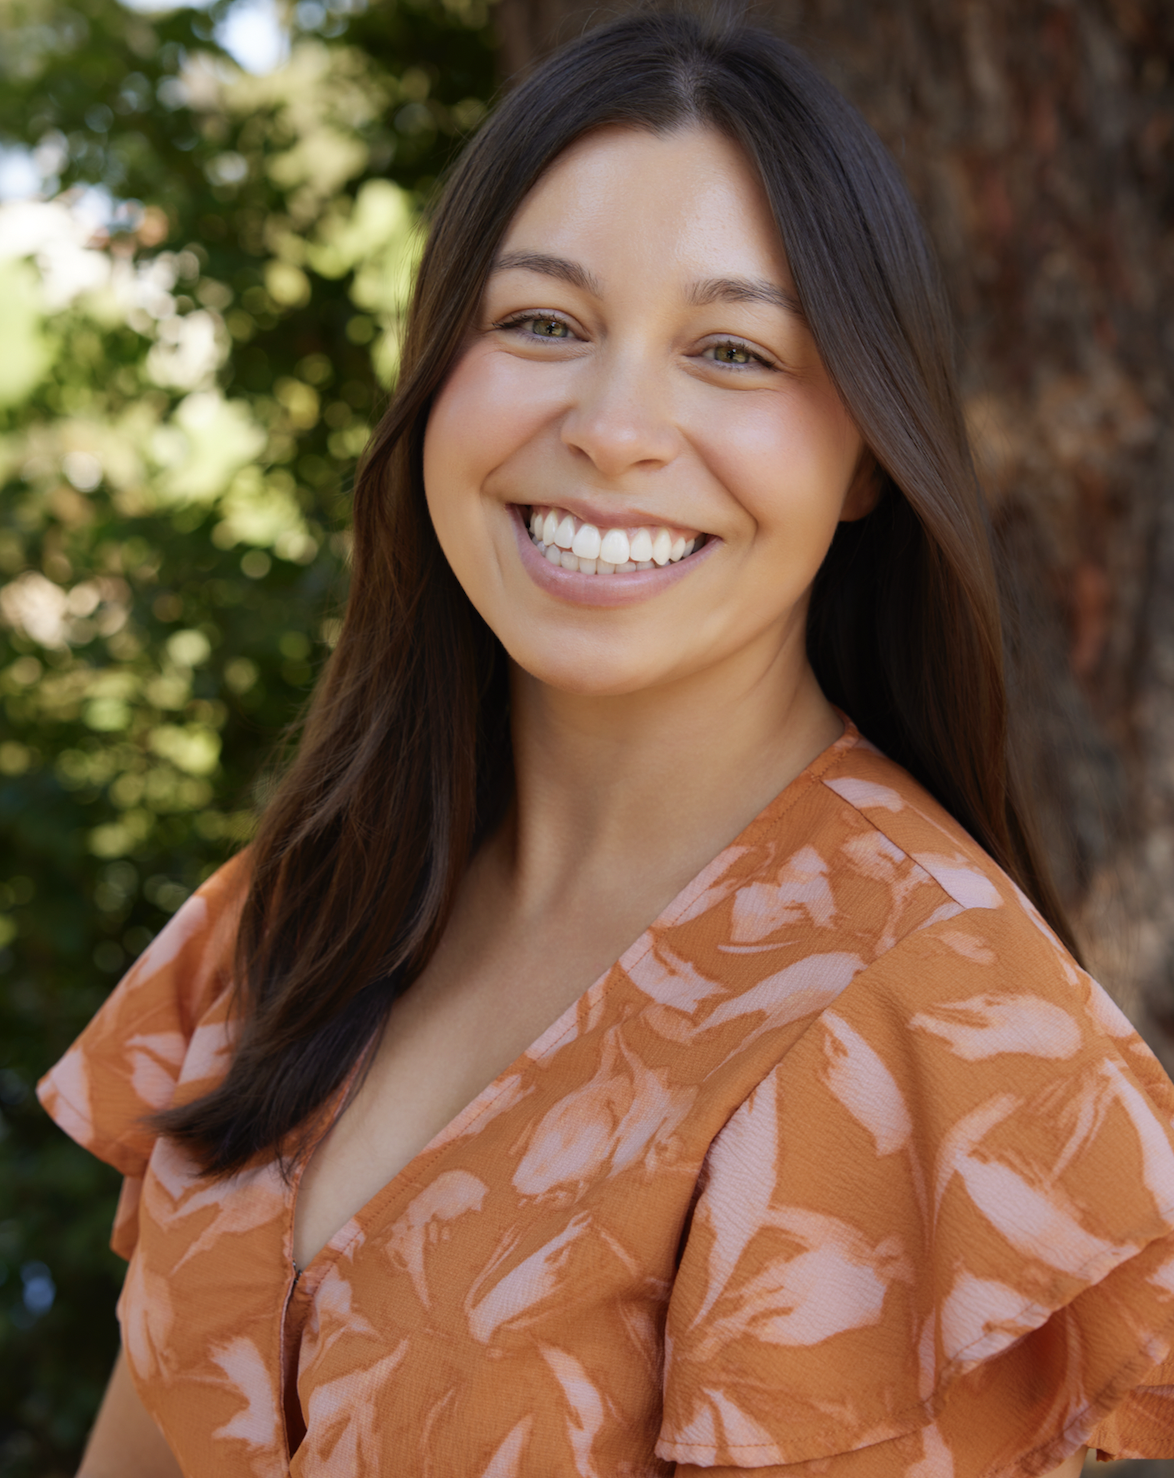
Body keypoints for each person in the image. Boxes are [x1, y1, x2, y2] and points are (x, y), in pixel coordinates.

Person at [41, 9, 1174, 1477]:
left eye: (730, 348)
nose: (616, 425)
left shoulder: (922, 1018)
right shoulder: (304, 900)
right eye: (540, 323)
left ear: (865, 460)